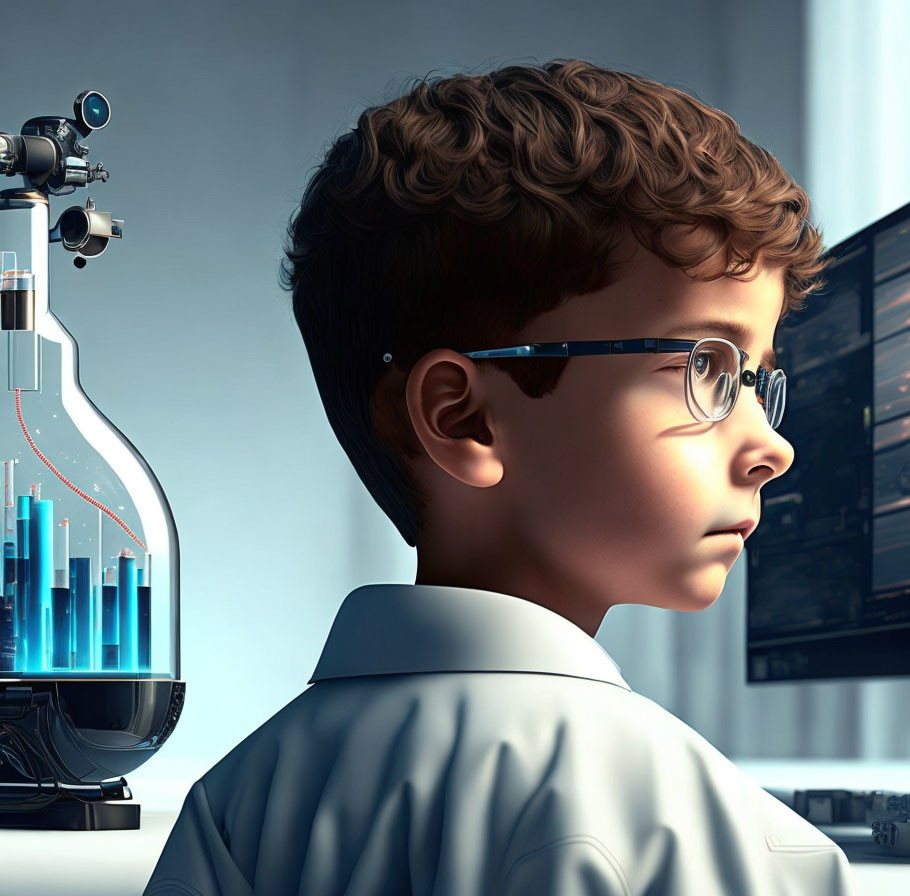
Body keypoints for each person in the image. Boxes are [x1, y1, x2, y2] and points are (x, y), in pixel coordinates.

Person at [144, 58, 857, 895]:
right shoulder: (713, 830)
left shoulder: (243, 799)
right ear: (464, 420)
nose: (772, 446)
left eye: (754, 379)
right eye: (704, 368)